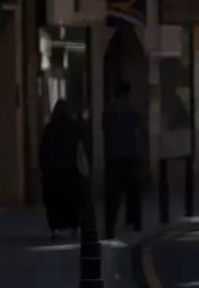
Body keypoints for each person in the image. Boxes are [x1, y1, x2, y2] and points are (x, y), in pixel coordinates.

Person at [37, 99, 89, 240]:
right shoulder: (76, 128)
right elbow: (82, 149)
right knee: (73, 200)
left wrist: (43, 170)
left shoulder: (49, 129)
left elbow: (43, 152)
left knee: (54, 201)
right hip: (71, 171)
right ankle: (73, 225)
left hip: (52, 172)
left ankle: (56, 228)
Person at [101, 80, 144, 234]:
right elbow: (139, 129)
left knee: (112, 194)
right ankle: (136, 223)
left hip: (113, 155)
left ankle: (109, 226)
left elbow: (104, 128)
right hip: (129, 155)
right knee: (133, 191)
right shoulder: (131, 108)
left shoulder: (109, 108)